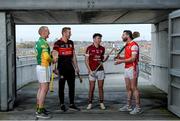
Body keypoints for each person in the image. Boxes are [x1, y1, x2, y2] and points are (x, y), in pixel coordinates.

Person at [52, 27, 80, 112]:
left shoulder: (71, 43)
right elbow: (54, 56)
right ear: (64, 33)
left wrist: (76, 67)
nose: (70, 34)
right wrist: (54, 68)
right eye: (69, 32)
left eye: (70, 32)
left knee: (72, 87)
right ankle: (62, 104)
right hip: (61, 69)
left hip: (70, 69)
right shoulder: (57, 43)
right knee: (61, 88)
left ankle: (72, 104)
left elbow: (73, 56)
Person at [114, 30, 141, 114]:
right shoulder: (127, 45)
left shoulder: (134, 45)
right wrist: (120, 57)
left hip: (133, 68)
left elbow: (133, 59)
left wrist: (120, 61)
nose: (122, 36)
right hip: (127, 68)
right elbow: (127, 57)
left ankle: (138, 108)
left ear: (128, 35)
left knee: (134, 88)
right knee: (128, 88)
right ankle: (128, 106)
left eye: (123, 35)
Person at [85, 33, 109, 110]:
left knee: (100, 87)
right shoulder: (89, 48)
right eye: (98, 38)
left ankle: (101, 103)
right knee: (91, 88)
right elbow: (86, 61)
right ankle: (90, 103)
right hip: (92, 71)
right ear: (94, 39)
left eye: (100, 38)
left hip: (100, 70)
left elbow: (102, 60)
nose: (100, 40)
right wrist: (89, 70)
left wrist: (105, 59)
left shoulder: (102, 48)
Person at [35, 26, 52, 119]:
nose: (49, 33)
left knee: (41, 88)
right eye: (48, 32)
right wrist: (53, 59)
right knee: (44, 89)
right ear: (43, 32)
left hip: (40, 66)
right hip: (44, 67)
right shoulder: (43, 42)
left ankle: (39, 108)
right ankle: (40, 111)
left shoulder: (38, 41)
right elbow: (46, 57)